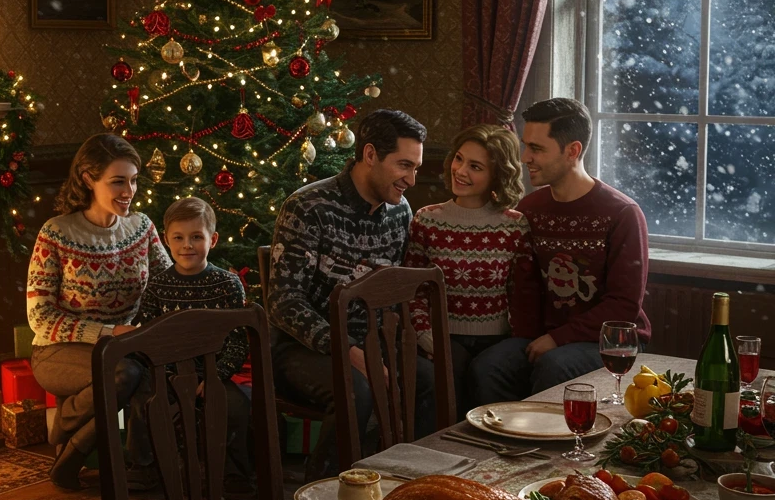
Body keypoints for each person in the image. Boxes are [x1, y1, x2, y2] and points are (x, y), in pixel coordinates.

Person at [267, 108, 436, 476]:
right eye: (403, 165)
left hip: (372, 342)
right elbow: (284, 303)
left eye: (417, 167)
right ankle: (321, 496)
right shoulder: (308, 207)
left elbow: (395, 292)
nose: (411, 178)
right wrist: (348, 350)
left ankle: (408, 483)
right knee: (355, 390)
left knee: (429, 380)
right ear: (371, 154)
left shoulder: (400, 211)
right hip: (301, 348)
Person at [468, 98, 651, 405]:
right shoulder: (529, 210)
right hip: (544, 338)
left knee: (554, 365)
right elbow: (525, 289)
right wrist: (525, 340)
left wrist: (557, 339)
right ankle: (503, 448)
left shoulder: (622, 213)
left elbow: (624, 306)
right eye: (525, 146)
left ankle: (544, 449)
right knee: (486, 367)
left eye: (537, 149)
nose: (525, 157)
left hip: (611, 342)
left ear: (573, 151)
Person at [27, 133, 171, 489]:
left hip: (121, 345)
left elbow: (168, 284)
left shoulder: (142, 228)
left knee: (140, 371)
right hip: (56, 352)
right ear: (89, 179)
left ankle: (141, 468)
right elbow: (40, 316)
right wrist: (108, 333)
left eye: (134, 180)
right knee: (124, 373)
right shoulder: (57, 233)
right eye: (118, 181)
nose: (129, 191)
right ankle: (70, 442)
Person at [404, 123, 540, 414]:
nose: (461, 171)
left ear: (496, 175)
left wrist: (519, 341)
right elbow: (412, 290)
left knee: (488, 385)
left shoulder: (514, 225)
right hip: (441, 337)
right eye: (459, 159)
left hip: (498, 341)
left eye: (475, 166)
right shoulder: (426, 220)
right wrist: (426, 336)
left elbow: (524, 294)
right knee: (448, 387)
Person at [131, 196, 256, 500]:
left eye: (196, 237)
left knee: (238, 407)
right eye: (179, 238)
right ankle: (142, 468)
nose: (187, 245)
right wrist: (161, 372)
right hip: (167, 374)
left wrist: (215, 375)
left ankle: (234, 474)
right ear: (166, 240)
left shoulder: (227, 285)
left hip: (212, 374)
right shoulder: (159, 287)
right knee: (142, 402)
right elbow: (144, 333)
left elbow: (238, 339)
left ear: (212, 240)